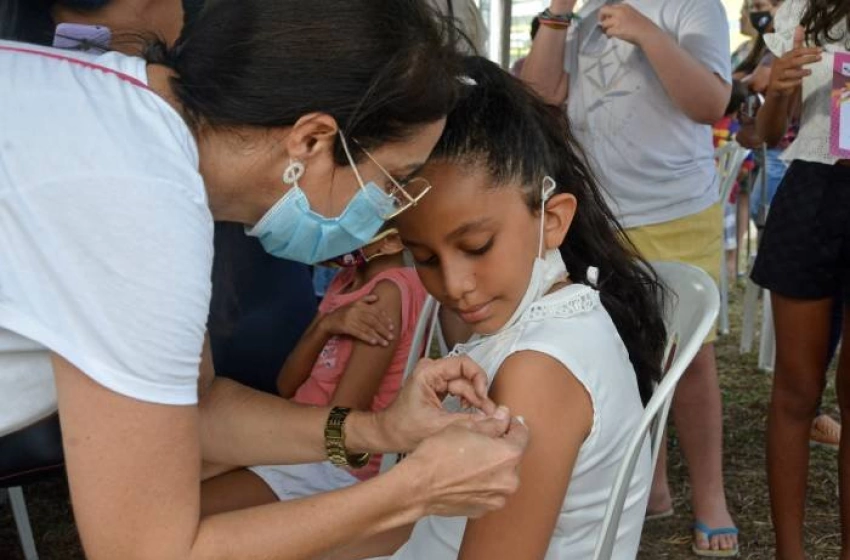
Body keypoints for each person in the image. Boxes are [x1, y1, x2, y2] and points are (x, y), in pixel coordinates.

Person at [0, 1, 530, 558]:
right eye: (392, 180)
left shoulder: (132, 121)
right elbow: (145, 550)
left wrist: (379, 432)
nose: (388, 211)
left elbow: (201, 408)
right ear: (312, 140)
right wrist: (415, 490)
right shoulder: (140, 202)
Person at [333, 55, 667, 560]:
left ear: (553, 220)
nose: (454, 285)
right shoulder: (538, 325)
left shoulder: (539, 370)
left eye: (477, 246)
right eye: (424, 258)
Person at [520, 0, 739, 555]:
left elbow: (711, 104)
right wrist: (557, 13)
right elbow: (540, 95)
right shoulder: (582, 15)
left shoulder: (694, 8)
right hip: (601, 213)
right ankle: (651, 484)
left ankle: (710, 496)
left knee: (690, 360)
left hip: (676, 210)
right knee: (623, 354)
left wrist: (646, 32)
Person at [201, 225, 428, 515]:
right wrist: (326, 325)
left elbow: (342, 419)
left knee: (183, 508)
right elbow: (286, 384)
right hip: (299, 437)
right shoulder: (345, 281)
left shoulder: (387, 293)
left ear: (392, 239)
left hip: (332, 463)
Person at [753, 1, 850, 555]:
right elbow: (767, 133)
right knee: (796, 390)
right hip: (812, 194)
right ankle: (789, 553)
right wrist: (778, 89)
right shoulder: (804, 9)